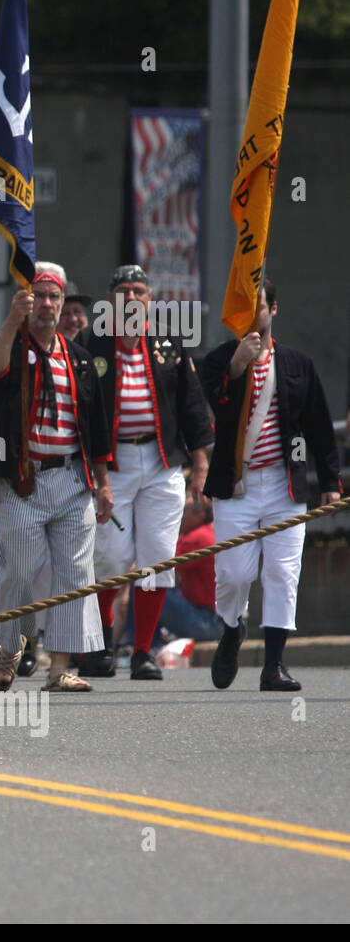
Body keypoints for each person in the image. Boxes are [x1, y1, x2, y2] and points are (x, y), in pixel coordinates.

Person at [200, 278, 342, 692]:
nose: (252, 311)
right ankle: (231, 630)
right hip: (236, 485)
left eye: (258, 304)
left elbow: (318, 424)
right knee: (234, 573)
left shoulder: (298, 363)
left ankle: (274, 665)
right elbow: (220, 412)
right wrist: (237, 367)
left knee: (282, 573)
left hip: (286, 485)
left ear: (273, 309)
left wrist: (331, 480)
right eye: (243, 304)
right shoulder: (218, 361)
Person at [73, 264, 213, 681]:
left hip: (161, 462)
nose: (131, 298)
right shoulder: (90, 342)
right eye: (123, 291)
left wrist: (201, 465)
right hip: (110, 464)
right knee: (111, 556)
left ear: (149, 300)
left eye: (139, 291)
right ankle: (99, 645)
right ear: (110, 300)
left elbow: (192, 405)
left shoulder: (170, 341)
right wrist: (93, 475)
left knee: (157, 559)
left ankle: (142, 651)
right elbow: (80, 410)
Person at [0, 268, 113, 692]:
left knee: (75, 573)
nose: (48, 304)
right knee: (17, 568)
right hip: (23, 479)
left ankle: (60, 668)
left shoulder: (79, 358)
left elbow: (96, 426)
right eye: (39, 296)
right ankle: (9, 648)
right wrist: (11, 322)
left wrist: (103, 483)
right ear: (25, 301)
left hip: (73, 478)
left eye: (54, 297)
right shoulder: (9, 347)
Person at [157, 493, 224, 642]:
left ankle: (144, 645)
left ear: (198, 514)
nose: (177, 517)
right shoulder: (209, 531)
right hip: (212, 620)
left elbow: (160, 565)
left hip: (205, 620)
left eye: (181, 512)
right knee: (150, 584)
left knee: (147, 584)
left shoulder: (198, 537)